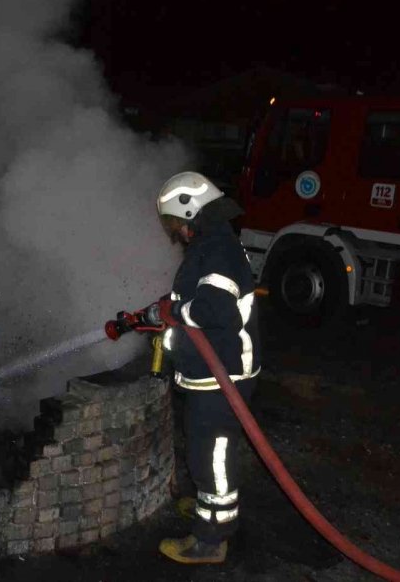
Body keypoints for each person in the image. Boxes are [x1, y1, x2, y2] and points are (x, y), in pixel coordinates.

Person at [139, 171, 261, 564]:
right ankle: (209, 511)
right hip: (208, 377)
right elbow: (197, 296)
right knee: (202, 449)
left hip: (223, 378)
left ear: (190, 213)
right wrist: (167, 307)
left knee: (213, 456)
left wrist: (173, 311)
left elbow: (212, 311)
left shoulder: (218, 250)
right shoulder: (210, 246)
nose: (174, 231)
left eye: (174, 223)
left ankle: (211, 539)